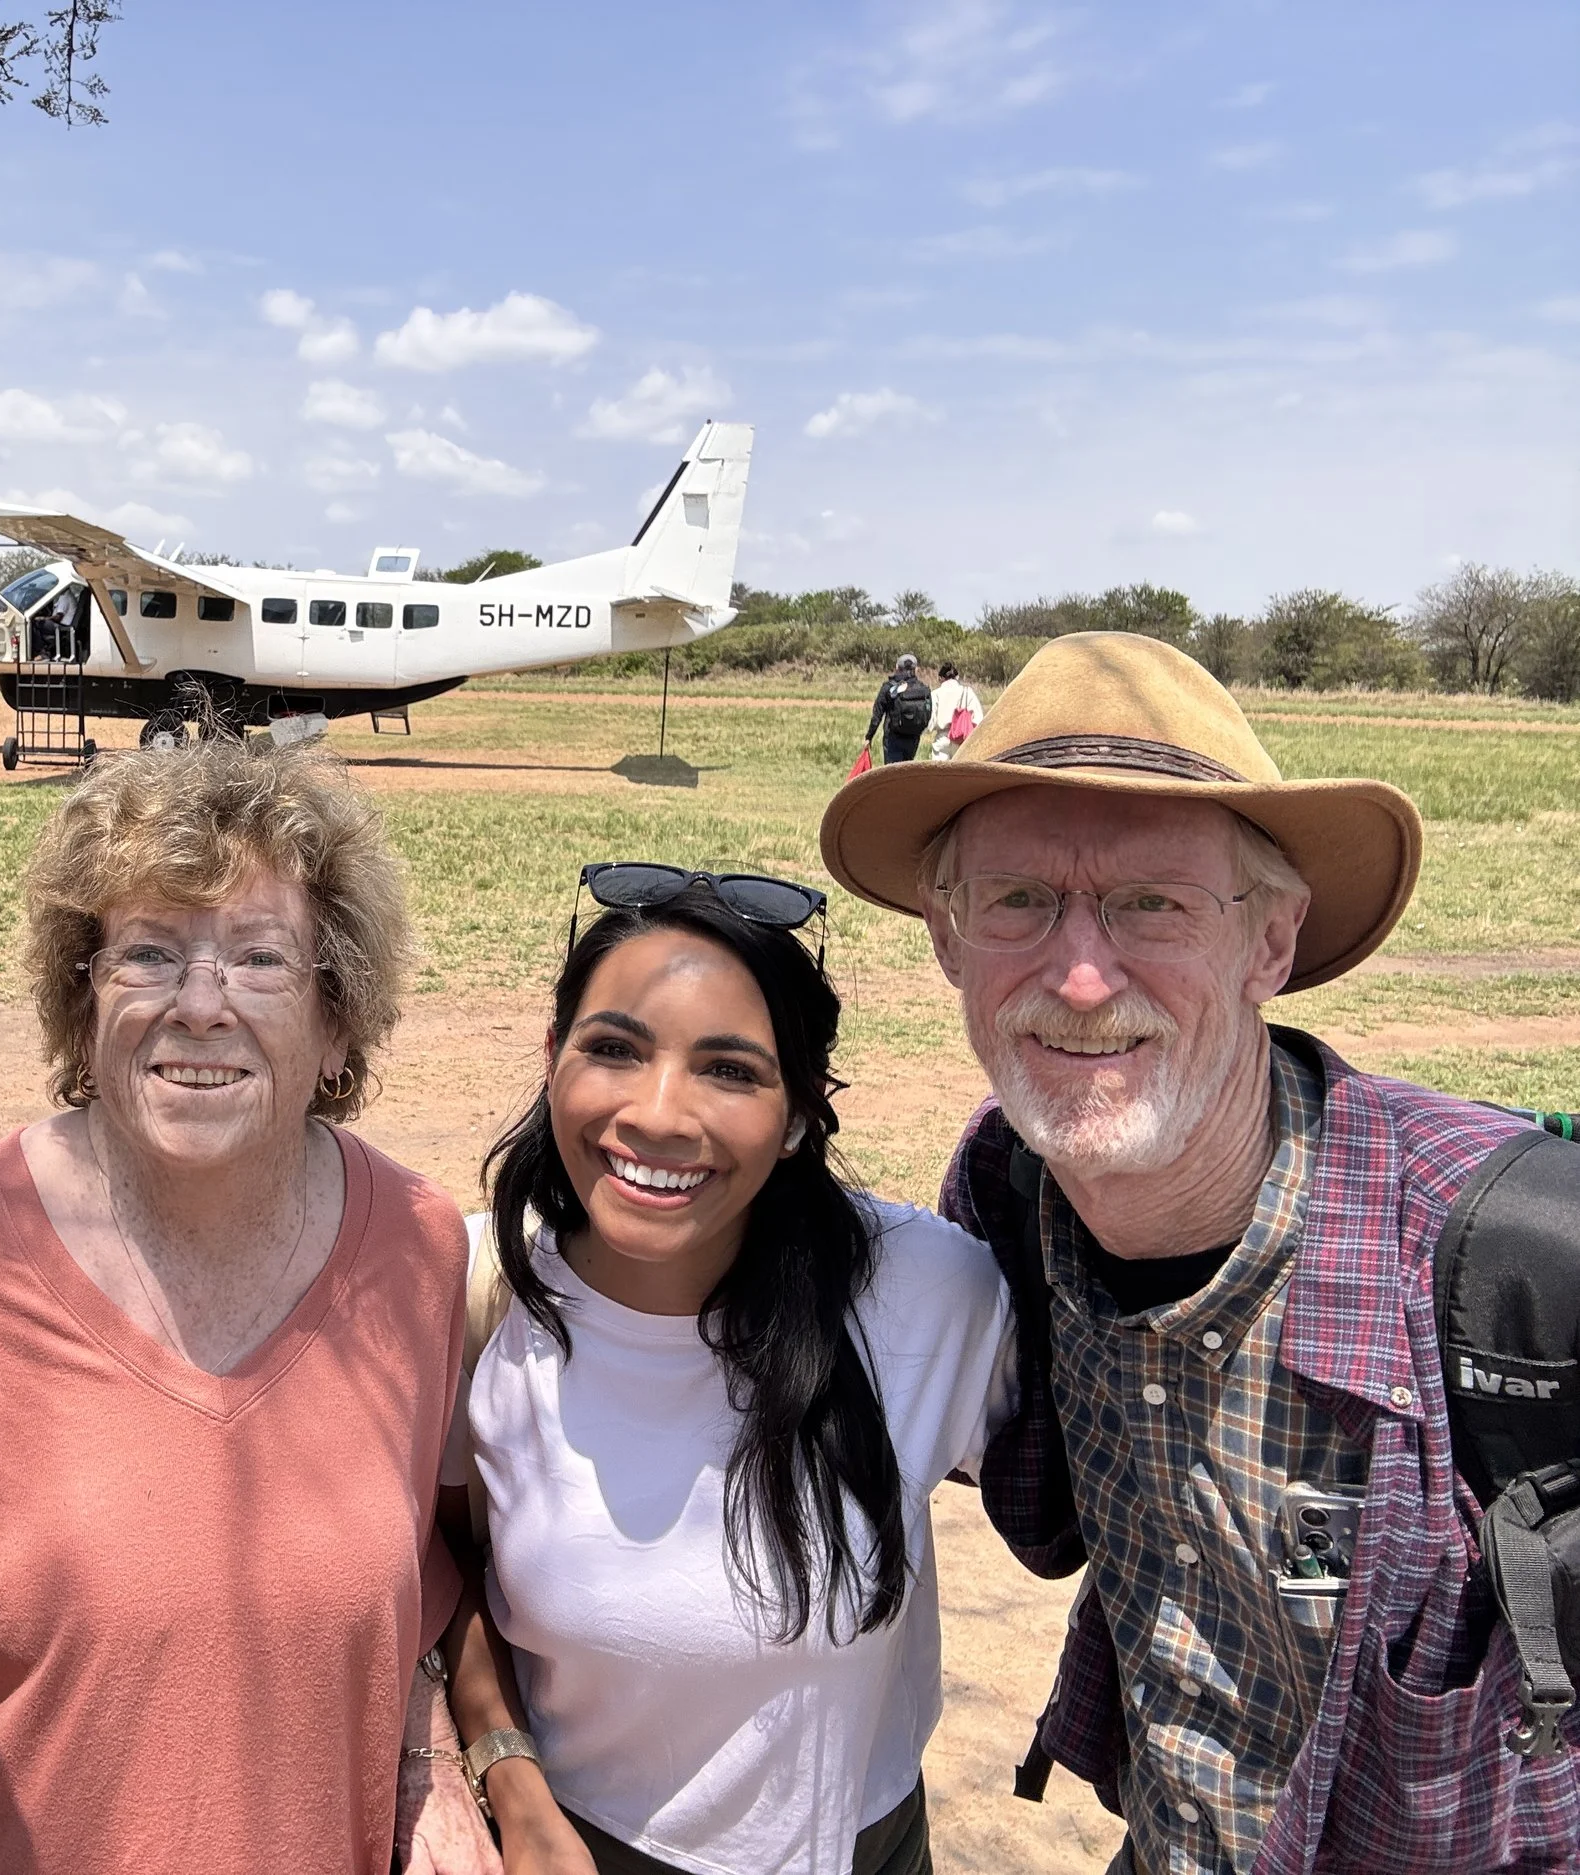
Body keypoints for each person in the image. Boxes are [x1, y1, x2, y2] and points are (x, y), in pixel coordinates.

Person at [819, 631, 1580, 1874]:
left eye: (1152, 903)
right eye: (1016, 899)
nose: (1078, 977)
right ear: (949, 941)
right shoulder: (1009, 1190)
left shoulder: (1518, 1266)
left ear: (1270, 944)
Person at [0, 735, 495, 1874]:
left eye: (261, 959)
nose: (200, 1005)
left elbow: (386, 1574)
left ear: (337, 1020)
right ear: (82, 1004)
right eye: (149, 954)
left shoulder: (411, 1249)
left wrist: (427, 1757)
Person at [435, 863, 1016, 1875]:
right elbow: (438, 1566)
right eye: (614, 1049)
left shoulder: (927, 1296)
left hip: (869, 1846)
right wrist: (510, 1779)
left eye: (730, 1070)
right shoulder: (475, 1294)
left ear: (799, 1114)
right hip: (578, 1846)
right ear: (553, 1057)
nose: (659, 1114)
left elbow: (1106, 1485)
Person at [865, 654, 934, 767]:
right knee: (906, 770)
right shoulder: (923, 688)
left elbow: (877, 714)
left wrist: (869, 737)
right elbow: (928, 712)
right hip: (913, 738)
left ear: (897, 667)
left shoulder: (889, 687)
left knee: (892, 772)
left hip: (893, 738)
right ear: (915, 669)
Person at [927, 662, 983, 763]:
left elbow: (931, 721)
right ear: (957, 677)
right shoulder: (967, 692)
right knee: (960, 771)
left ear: (941, 678)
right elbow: (978, 718)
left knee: (939, 771)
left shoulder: (935, 694)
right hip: (962, 738)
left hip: (942, 737)